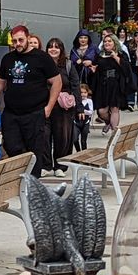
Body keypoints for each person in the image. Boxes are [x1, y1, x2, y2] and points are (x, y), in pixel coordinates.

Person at [0, 25, 60, 177]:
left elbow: (57, 82)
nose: (18, 44)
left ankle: (33, 183)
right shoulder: (8, 58)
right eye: (14, 41)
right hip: (11, 113)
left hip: (35, 113)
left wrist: (49, 107)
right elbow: (0, 82)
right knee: (10, 144)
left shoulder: (42, 58)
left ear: (28, 38)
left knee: (35, 150)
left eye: (21, 40)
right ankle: (18, 176)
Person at [45, 37, 79, 173]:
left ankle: (60, 166)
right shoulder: (42, 65)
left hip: (63, 108)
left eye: (56, 47)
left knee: (63, 137)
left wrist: (79, 108)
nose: (53, 49)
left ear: (61, 50)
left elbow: (75, 86)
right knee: (44, 137)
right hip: (45, 105)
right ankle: (46, 166)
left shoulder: (68, 65)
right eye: (50, 46)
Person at [90, 31, 129, 134]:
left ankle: (114, 133)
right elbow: (96, 67)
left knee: (114, 108)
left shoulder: (121, 54)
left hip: (115, 84)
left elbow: (126, 69)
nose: (107, 43)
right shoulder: (100, 55)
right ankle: (108, 123)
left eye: (109, 41)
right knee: (102, 111)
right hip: (102, 85)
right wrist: (94, 70)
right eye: (105, 41)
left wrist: (115, 57)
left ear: (114, 42)